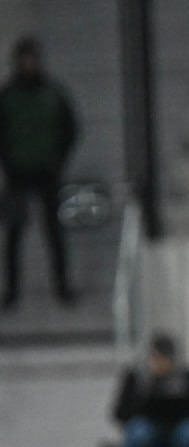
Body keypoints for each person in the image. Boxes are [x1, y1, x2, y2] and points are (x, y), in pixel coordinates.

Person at [0, 36, 78, 311]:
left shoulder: (53, 93)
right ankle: (11, 291)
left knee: (54, 232)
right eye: (24, 59)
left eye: (32, 58)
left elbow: (70, 128)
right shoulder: (8, 95)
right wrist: (8, 161)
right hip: (17, 173)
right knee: (14, 234)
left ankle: (62, 287)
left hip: (47, 171)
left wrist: (58, 160)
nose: (28, 64)